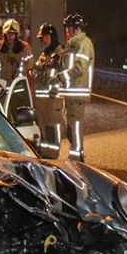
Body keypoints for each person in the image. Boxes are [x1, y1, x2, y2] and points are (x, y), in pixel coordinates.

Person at [60, 13, 95, 161]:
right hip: (71, 93)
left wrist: (62, 76)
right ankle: (75, 158)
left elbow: (79, 68)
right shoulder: (74, 45)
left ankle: (77, 161)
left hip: (77, 93)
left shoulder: (84, 44)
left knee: (75, 128)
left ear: (76, 28)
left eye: (68, 28)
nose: (67, 31)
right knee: (71, 129)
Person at [31, 22, 65, 154]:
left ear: (52, 37)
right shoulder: (44, 54)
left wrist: (56, 89)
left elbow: (63, 74)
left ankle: (53, 155)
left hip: (53, 98)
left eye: (45, 37)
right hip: (41, 99)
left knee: (52, 127)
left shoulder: (60, 53)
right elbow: (39, 71)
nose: (43, 41)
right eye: (42, 38)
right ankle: (45, 155)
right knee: (42, 127)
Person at [0, 18, 33, 84]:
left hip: (19, 85)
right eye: (8, 33)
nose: (10, 36)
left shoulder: (25, 47)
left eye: (13, 34)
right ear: (4, 34)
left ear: (17, 34)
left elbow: (29, 66)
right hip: (1, 85)